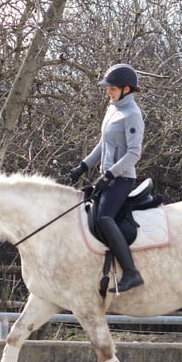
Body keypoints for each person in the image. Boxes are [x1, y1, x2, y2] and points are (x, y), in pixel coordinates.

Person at [68, 63, 145, 293]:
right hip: (107, 177)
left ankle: (131, 273)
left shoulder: (132, 115)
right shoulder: (113, 109)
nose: (108, 91)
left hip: (122, 179)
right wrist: (83, 166)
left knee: (103, 218)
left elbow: (134, 154)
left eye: (112, 88)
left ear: (127, 89)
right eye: (108, 88)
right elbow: (104, 144)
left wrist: (109, 175)